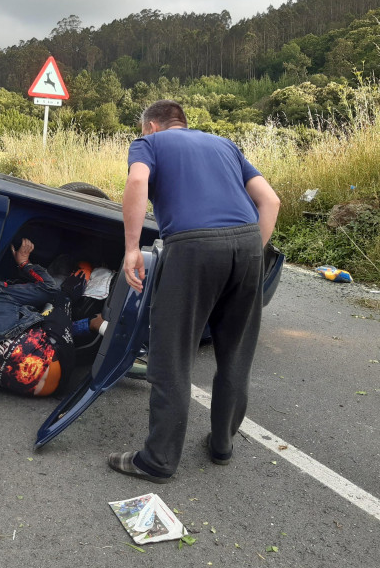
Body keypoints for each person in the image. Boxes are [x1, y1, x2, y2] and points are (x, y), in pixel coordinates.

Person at [107, 100, 281, 483]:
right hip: (249, 246)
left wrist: (132, 248)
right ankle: (222, 445)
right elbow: (270, 201)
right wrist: (250, 250)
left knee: (172, 355)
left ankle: (158, 460)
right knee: (235, 354)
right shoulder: (225, 144)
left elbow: (137, 182)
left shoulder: (148, 144)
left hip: (192, 247)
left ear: (151, 126)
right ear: (183, 123)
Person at [0, 238, 102, 397]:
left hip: (36, 387)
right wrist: (23, 263)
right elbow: (49, 289)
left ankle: (89, 324)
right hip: (55, 368)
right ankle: (86, 267)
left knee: (45, 320)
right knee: (61, 299)